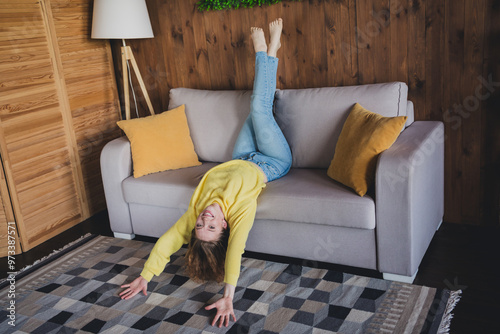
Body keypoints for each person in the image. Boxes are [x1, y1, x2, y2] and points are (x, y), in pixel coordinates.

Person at [119, 18, 291, 328]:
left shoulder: (198, 210)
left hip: (240, 156)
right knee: (258, 108)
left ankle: (271, 51)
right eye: (211, 227)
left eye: (200, 224)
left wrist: (145, 276)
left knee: (256, 108)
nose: (205, 220)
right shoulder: (241, 212)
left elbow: (168, 241)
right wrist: (228, 294)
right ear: (225, 225)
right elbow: (236, 253)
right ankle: (266, 50)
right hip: (271, 162)